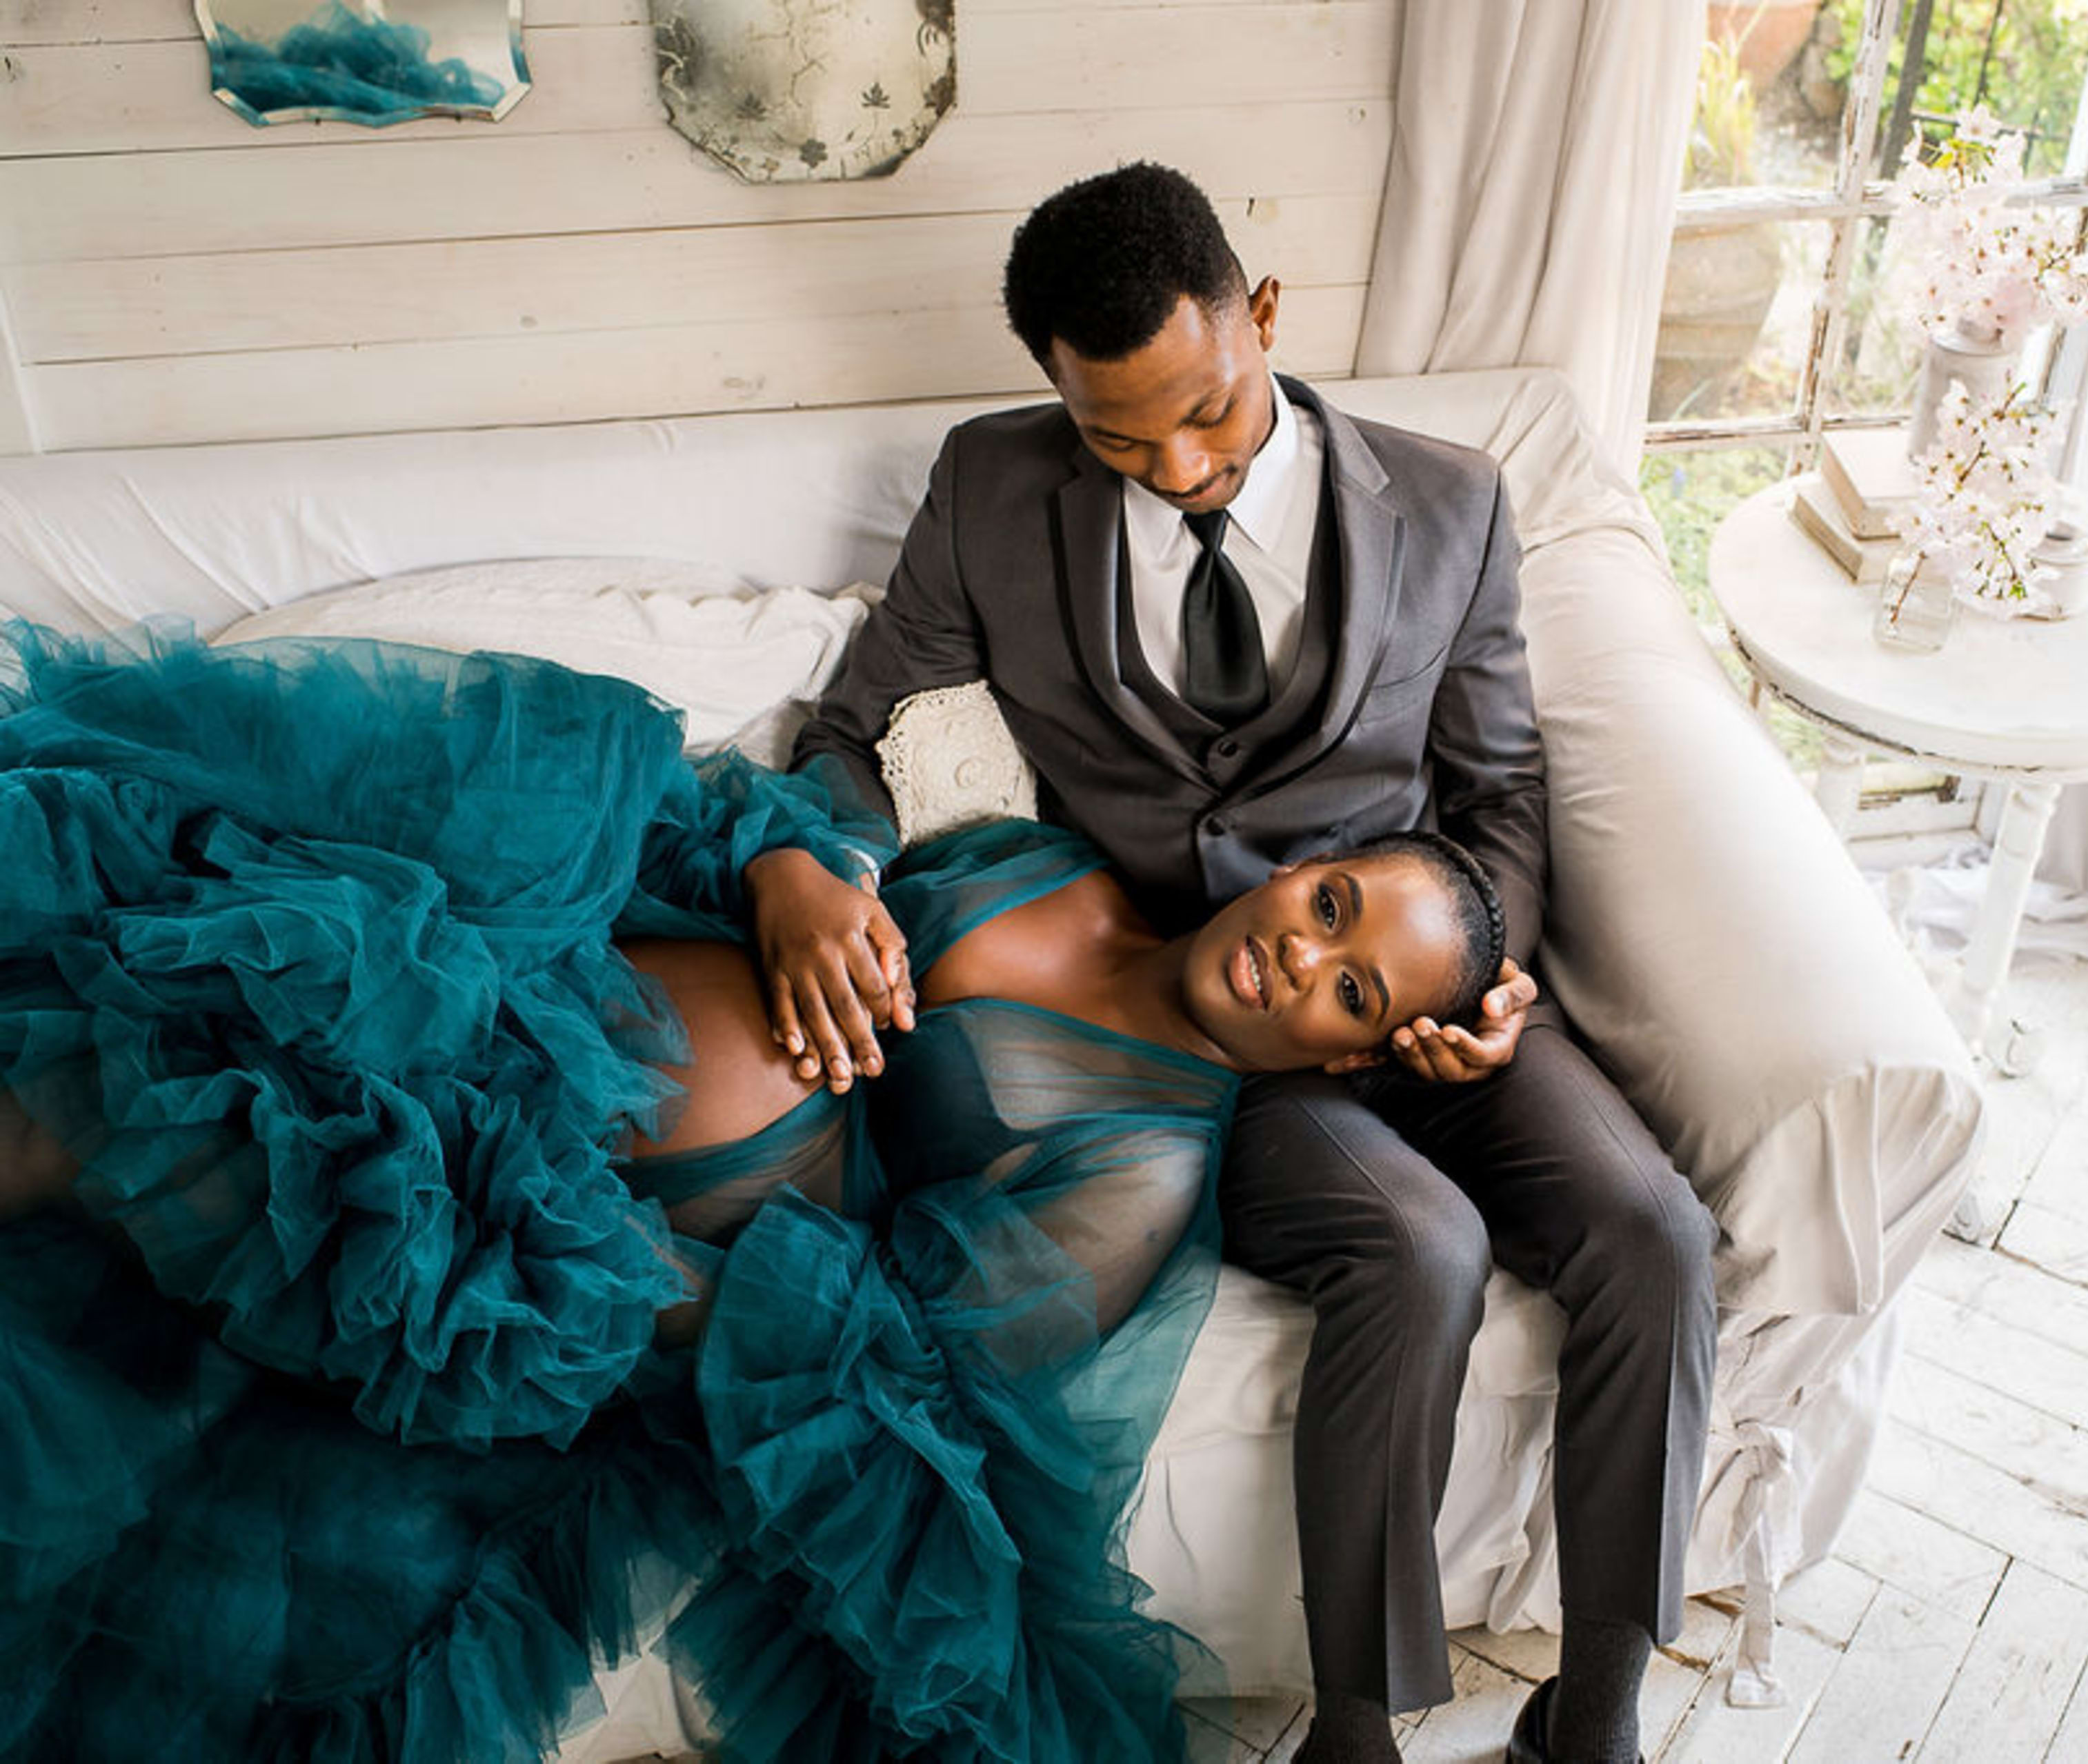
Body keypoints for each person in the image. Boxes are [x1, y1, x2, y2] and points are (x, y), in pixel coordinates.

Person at [0, 622, 1505, 1764]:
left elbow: (885, 1360)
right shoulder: (1061, 866)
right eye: (1330, 904)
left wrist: (550, 1255)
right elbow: (836, 887)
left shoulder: (1141, 1174)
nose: (1301, 954)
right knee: (157, 986)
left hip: (569, 1210)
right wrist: (793, 874)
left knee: (131, 1117)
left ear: (1356, 1048)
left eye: (1348, 987)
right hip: (536, 986)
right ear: (1306, 868)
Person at [759, 162, 1721, 1764]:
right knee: (1413, 1244)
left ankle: (1599, 1708)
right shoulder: (993, 493)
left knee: (1656, 1230)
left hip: (1414, 976)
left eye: (1206, 410)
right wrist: (813, 852)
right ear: (1056, 395)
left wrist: (1486, 979)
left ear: (1262, 315)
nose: (1181, 467)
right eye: (1119, 437)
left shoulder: (1453, 501)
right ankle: (1357, 1728)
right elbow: (854, 727)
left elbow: (1497, 794)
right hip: (1226, 1021)